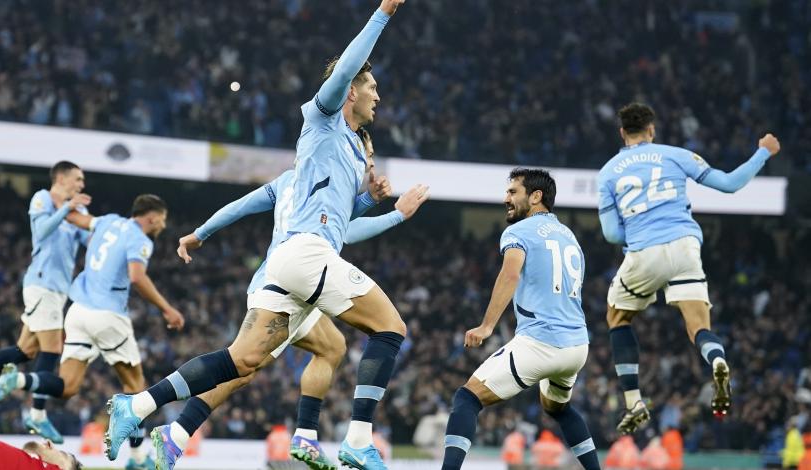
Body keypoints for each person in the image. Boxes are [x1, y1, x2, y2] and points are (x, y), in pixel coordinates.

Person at [105, 2, 407, 468]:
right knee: (390, 328)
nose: (379, 98)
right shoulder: (324, 119)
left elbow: (341, 223)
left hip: (291, 263)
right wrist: (383, 14)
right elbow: (347, 68)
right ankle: (356, 439)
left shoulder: (348, 153)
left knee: (243, 361)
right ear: (350, 91)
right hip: (305, 255)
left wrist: (372, 201)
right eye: (372, 88)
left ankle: (140, 406)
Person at [164, 128, 428, 470]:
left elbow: (242, 207)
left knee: (329, 347)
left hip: (281, 277)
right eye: (368, 154)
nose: (371, 162)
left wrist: (200, 234)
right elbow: (342, 233)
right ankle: (175, 430)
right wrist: (396, 215)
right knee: (243, 365)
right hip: (287, 284)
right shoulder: (330, 179)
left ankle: (304, 435)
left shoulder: (291, 181)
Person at [597, 102, 781, 433]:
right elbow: (728, 184)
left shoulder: (608, 171)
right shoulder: (676, 155)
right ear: (651, 130)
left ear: (622, 132)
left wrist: (638, 231)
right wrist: (762, 153)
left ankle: (634, 401)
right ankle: (718, 361)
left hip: (644, 250)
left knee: (617, 317)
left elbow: (611, 234)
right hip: (685, 245)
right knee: (697, 325)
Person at [0, 194, 184, 470]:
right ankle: (139, 459)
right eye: (162, 220)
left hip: (78, 311)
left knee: (68, 386)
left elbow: (74, 218)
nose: (162, 226)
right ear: (152, 216)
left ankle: (20, 380)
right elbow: (136, 276)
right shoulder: (139, 239)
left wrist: (63, 201)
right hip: (108, 316)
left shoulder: (106, 222)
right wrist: (167, 309)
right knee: (135, 388)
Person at [441, 169, 600, 470]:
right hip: (578, 345)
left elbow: (510, 273)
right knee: (559, 409)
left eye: (513, 192)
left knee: (466, 399)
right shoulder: (569, 236)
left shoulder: (519, 231)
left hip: (541, 342)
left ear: (536, 196)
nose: (506, 198)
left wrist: (487, 326)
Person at [0, 161, 91, 443]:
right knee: (52, 349)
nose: (82, 184)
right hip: (41, 284)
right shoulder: (42, 199)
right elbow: (42, 232)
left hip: (58, 290)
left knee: (25, 351)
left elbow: (88, 238)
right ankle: (37, 416)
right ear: (61, 178)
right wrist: (66, 209)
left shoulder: (77, 210)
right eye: (78, 179)